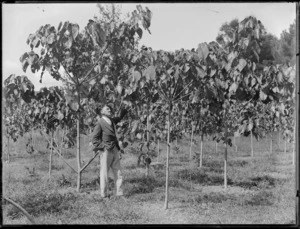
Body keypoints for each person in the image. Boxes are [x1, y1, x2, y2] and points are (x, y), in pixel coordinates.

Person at [91, 104, 127, 199]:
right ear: (102, 112)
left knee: (118, 171)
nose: (110, 110)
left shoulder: (111, 121)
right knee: (104, 173)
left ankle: (120, 193)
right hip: (106, 150)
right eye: (107, 109)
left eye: (110, 109)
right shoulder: (100, 123)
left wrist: (123, 113)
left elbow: (118, 118)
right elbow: (94, 139)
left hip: (114, 148)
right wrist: (102, 147)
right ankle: (104, 194)